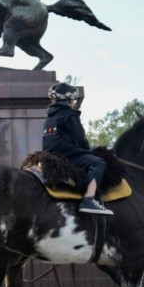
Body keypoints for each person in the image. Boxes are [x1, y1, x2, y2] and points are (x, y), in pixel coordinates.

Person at [42, 82, 113, 215]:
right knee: (98, 162)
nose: (74, 102)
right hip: (68, 156)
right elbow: (81, 140)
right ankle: (88, 199)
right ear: (69, 100)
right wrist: (88, 150)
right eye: (74, 99)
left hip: (50, 156)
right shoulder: (70, 115)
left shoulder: (49, 117)